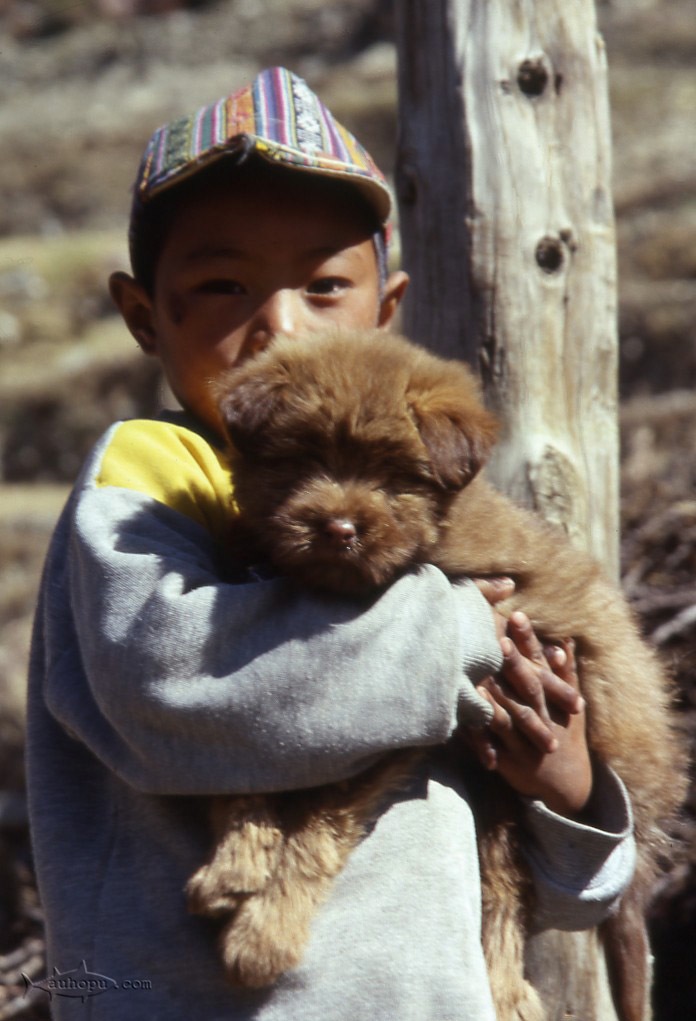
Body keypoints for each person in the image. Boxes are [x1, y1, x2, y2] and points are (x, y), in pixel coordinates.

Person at [26, 67, 634, 1021]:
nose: (278, 325)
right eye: (224, 286)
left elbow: (569, 893)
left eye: (323, 285)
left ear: (384, 310)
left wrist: (571, 790)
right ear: (145, 315)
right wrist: (460, 621)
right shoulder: (150, 477)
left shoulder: (418, 521)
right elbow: (181, 692)